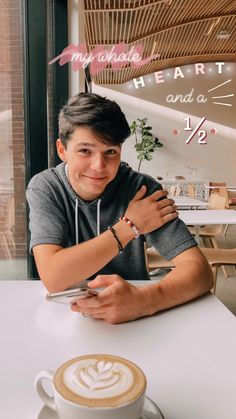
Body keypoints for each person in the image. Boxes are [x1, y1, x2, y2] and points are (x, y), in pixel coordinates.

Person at [26, 92, 213, 324]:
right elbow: (53, 277)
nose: (98, 166)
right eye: (85, 150)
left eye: (110, 152)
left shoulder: (141, 189)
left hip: (137, 318)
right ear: (62, 150)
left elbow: (200, 272)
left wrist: (145, 301)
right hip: (63, 317)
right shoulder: (46, 187)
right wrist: (130, 226)